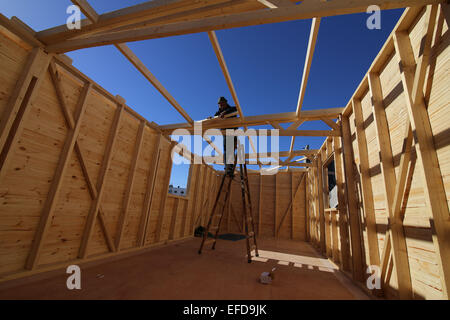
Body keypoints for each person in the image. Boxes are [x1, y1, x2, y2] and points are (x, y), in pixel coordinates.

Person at [213, 97, 238, 176]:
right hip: (225, 133)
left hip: (231, 132)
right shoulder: (219, 112)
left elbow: (236, 109)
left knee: (229, 150)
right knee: (226, 150)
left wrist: (225, 113)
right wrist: (212, 118)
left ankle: (229, 168)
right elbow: (215, 117)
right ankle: (227, 167)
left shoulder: (231, 109)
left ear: (226, 103)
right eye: (220, 104)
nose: (221, 105)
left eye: (222, 104)